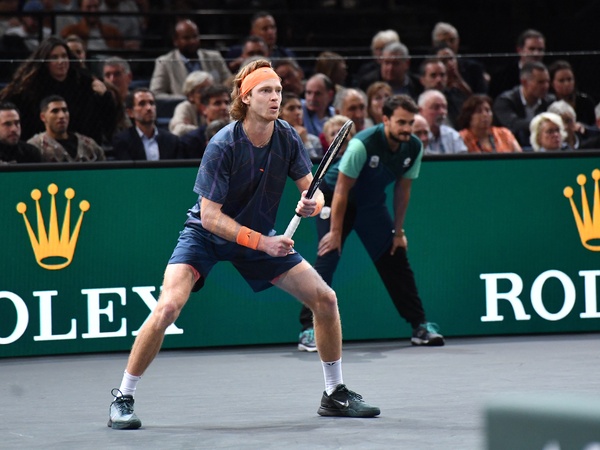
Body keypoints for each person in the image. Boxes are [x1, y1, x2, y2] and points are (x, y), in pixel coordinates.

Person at [107, 59, 380, 430]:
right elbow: (210, 217)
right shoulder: (223, 144)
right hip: (206, 237)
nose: (275, 97)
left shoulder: (287, 136)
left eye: (279, 90)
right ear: (247, 98)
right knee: (168, 306)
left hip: (259, 238)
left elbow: (313, 194)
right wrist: (263, 243)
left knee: (326, 299)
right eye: (266, 90)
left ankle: (334, 393)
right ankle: (123, 397)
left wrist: (313, 205)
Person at [298, 94, 445, 353]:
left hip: (371, 205)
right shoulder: (362, 144)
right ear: (386, 120)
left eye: (410, 123)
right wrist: (335, 232)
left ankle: (420, 326)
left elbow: (403, 190)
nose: (407, 129)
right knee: (328, 256)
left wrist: (398, 232)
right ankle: (308, 330)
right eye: (401, 122)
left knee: (395, 256)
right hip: (335, 198)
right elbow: (342, 189)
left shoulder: (413, 147)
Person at [0, 36, 117, 144]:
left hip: (81, 148)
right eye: (54, 57)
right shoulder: (28, 88)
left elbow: (107, 120)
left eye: (64, 56)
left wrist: (105, 96)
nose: (61, 61)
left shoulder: (85, 83)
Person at [150, 19, 231, 99]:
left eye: (195, 36)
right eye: (186, 38)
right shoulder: (165, 62)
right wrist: (188, 99)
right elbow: (156, 93)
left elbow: (230, 84)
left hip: (215, 105)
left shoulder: (214, 57)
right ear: (175, 41)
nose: (192, 41)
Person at [493, 61, 555, 147]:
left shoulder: (550, 101)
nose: (546, 86)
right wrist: (542, 125)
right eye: (540, 82)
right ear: (524, 82)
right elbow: (513, 125)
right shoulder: (505, 101)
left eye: (547, 82)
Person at [28, 95, 106, 162]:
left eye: (65, 110)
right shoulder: (35, 147)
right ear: (43, 117)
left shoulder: (88, 145)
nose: (61, 115)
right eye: (55, 111)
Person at [112, 88, 182, 160]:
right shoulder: (122, 141)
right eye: (142, 104)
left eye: (151, 103)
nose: (149, 108)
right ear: (130, 113)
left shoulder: (171, 140)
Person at [431, 22, 488, 94]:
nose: (448, 45)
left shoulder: (474, 68)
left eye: (452, 40)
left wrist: (458, 79)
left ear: (458, 41)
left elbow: (481, 99)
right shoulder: (427, 68)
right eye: (443, 42)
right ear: (434, 44)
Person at [488, 29, 545, 99]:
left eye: (540, 49)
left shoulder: (550, 75)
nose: (536, 53)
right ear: (519, 50)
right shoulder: (501, 77)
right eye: (531, 49)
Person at [179, 84, 231, 158]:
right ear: (204, 109)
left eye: (227, 103)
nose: (224, 107)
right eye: (217, 103)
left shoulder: (240, 135)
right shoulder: (191, 141)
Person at [225, 11, 295, 67]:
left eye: (273, 27)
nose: (270, 32)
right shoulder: (236, 53)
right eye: (265, 29)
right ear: (253, 32)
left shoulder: (285, 54)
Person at [457, 94, 522, 153]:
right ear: (469, 116)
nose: (485, 115)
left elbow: (519, 157)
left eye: (488, 110)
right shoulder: (461, 138)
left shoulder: (504, 134)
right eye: (479, 111)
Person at [358, 42, 422, 101]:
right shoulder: (367, 84)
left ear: (407, 64)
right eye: (387, 63)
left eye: (395, 63)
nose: (390, 68)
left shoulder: (419, 84)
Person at [418, 57, 467, 127]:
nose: (439, 80)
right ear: (422, 80)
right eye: (433, 75)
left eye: (442, 75)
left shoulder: (456, 100)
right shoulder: (415, 103)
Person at [60, 0, 124, 51]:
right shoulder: (70, 32)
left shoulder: (113, 32)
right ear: (81, 8)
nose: (93, 10)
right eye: (89, 7)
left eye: (96, 6)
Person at [418, 89, 467, 155]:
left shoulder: (452, 136)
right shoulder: (413, 135)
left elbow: (463, 159)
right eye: (436, 107)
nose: (442, 112)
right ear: (421, 111)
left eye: (444, 107)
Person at [548, 60, 596, 127]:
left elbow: (595, 127)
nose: (567, 84)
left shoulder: (585, 102)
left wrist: (584, 127)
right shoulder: (547, 103)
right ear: (552, 83)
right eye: (561, 80)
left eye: (569, 79)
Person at [168, 70, 214, 136]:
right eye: (201, 90)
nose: (206, 93)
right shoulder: (184, 107)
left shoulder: (219, 106)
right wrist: (206, 130)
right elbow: (179, 130)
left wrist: (190, 128)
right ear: (190, 95)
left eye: (210, 89)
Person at [278, 92, 322, 158]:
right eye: (291, 109)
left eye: (299, 108)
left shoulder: (314, 140)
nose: (298, 112)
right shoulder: (274, 139)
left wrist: (306, 142)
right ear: (280, 112)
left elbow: (316, 164)